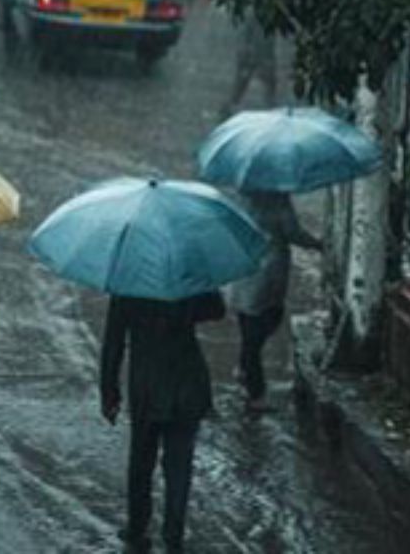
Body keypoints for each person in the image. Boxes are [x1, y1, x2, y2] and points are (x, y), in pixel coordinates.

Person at [100, 292, 226, 554]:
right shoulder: (188, 276)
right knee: (179, 465)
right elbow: (216, 310)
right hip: (187, 383)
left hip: (147, 386)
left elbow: (114, 341)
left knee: (141, 461)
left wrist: (109, 392)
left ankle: (137, 528)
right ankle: (173, 536)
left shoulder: (128, 285)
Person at [227, 191, 323, 411]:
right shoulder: (278, 199)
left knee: (248, 324)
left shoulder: (241, 196)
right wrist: (318, 244)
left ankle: (244, 369)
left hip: (243, 267)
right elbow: (292, 232)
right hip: (268, 272)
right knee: (262, 327)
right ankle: (256, 394)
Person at [219, 14, 277, 120]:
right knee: (241, 86)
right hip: (253, 55)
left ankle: (271, 108)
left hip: (260, 55)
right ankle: (228, 109)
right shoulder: (255, 18)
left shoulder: (264, 18)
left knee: (268, 85)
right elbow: (245, 36)